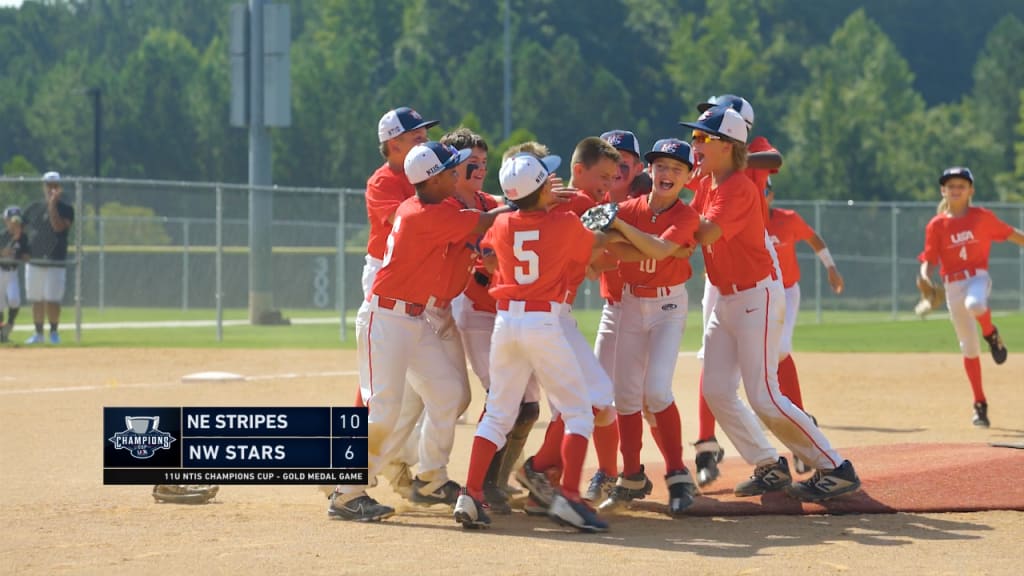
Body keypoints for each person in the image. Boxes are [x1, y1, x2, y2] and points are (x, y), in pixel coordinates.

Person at [682, 105, 861, 503]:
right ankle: (768, 463)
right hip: (728, 298)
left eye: (703, 138)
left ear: (728, 146)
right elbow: (689, 220)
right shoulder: (708, 181)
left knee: (763, 394)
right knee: (715, 389)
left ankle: (836, 467)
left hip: (755, 296)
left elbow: (706, 233)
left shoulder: (739, 187)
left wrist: (664, 224)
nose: (695, 143)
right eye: (694, 137)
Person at [329, 141, 505, 522]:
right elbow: (483, 222)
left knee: (448, 392)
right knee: (384, 407)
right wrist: (527, 203)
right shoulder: (422, 213)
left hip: (414, 319)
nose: (457, 173)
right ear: (434, 178)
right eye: (450, 169)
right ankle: (346, 493)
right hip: (385, 319)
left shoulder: (435, 207)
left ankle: (430, 476)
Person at [453, 152, 615, 532]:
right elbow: (596, 243)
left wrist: (537, 205)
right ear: (542, 187)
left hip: (506, 322)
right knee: (578, 412)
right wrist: (602, 223)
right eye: (547, 181)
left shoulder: (504, 221)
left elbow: (489, 250)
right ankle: (570, 499)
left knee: (497, 414)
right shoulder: (564, 222)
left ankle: (471, 493)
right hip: (544, 321)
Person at [596, 138, 701, 516]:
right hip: (630, 303)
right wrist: (633, 239)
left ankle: (677, 474)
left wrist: (623, 229)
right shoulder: (630, 207)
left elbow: (656, 250)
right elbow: (604, 246)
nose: (667, 173)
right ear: (650, 171)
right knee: (624, 396)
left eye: (677, 168)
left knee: (655, 391)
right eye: (661, 166)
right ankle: (631, 476)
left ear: (690, 176)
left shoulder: (687, 216)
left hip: (668, 305)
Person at [688, 95, 784, 487]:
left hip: (751, 255)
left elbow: (774, 159)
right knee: (715, 371)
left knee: (766, 379)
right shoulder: (706, 170)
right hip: (722, 265)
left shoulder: (749, 153)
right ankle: (710, 443)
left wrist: (736, 159)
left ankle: (814, 446)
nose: (700, 134)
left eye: (706, 130)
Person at [349, 106, 438, 500]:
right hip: (385, 278)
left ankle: (397, 461)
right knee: (380, 383)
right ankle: (349, 463)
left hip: (420, 279)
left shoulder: (430, 177)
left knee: (423, 383)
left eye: (424, 134)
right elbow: (405, 229)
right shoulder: (383, 182)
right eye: (416, 136)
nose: (425, 140)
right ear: (393, 145)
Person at [918, 167, 1024, 427]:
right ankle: (980, 404)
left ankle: (991, 333)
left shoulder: (981, 217)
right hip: (952, 286)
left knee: (975, 303)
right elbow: (930, 258)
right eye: (950, 185)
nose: (955, 189)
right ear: (943, 190)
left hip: (977, 277)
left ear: (970, 191)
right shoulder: (937, 225)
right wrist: (923, 275)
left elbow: (1011, 234)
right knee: (969, 348)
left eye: (961, 185)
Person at [763, 178, 845, 472]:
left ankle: (800, 425)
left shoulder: (788, 219)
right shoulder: (741, 220)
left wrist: (831, 267)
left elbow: (814, 239)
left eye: (765, 190)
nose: (761, 195)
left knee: (781, 349)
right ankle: (800, 426)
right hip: (756, 294)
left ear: (772, 194)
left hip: (786, 291)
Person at [584, 130, 646, 504]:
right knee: (372, 397)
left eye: (625, 159)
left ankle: (654, 471)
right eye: (611, 159)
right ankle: (363, 478)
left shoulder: (645, 202)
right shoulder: (595, 203)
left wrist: (602, 253)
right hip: (388, 310)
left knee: (646, 399)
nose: (618, 165)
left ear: (638, 167)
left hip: (642, 308)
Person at [22, 171, 74, 345]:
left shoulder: (66, 209)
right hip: (35, 261)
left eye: (54, 185)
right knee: (36, 299)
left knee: (52, 299)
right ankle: (38, 333)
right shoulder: (34, 207)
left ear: (59, 187)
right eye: (48, 185)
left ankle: (53, 333)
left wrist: (52, 205)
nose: (51, 188)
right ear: (43, 186)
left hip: (55, 261)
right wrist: (23, 250)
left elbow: (59, 228)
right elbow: (20, 230)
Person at [0, 206, 29, 343]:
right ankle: (1, 335)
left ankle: (9, 324)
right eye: (12, 221)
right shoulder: (2, 235)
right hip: (0, 271)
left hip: (12, 272)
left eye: (17, 221)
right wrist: (13, 239)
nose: (15, 224)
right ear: (6, 221)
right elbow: (3, 253)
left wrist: (25, 255)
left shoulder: (23, 237)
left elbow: (26, 255)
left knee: (14, 299)